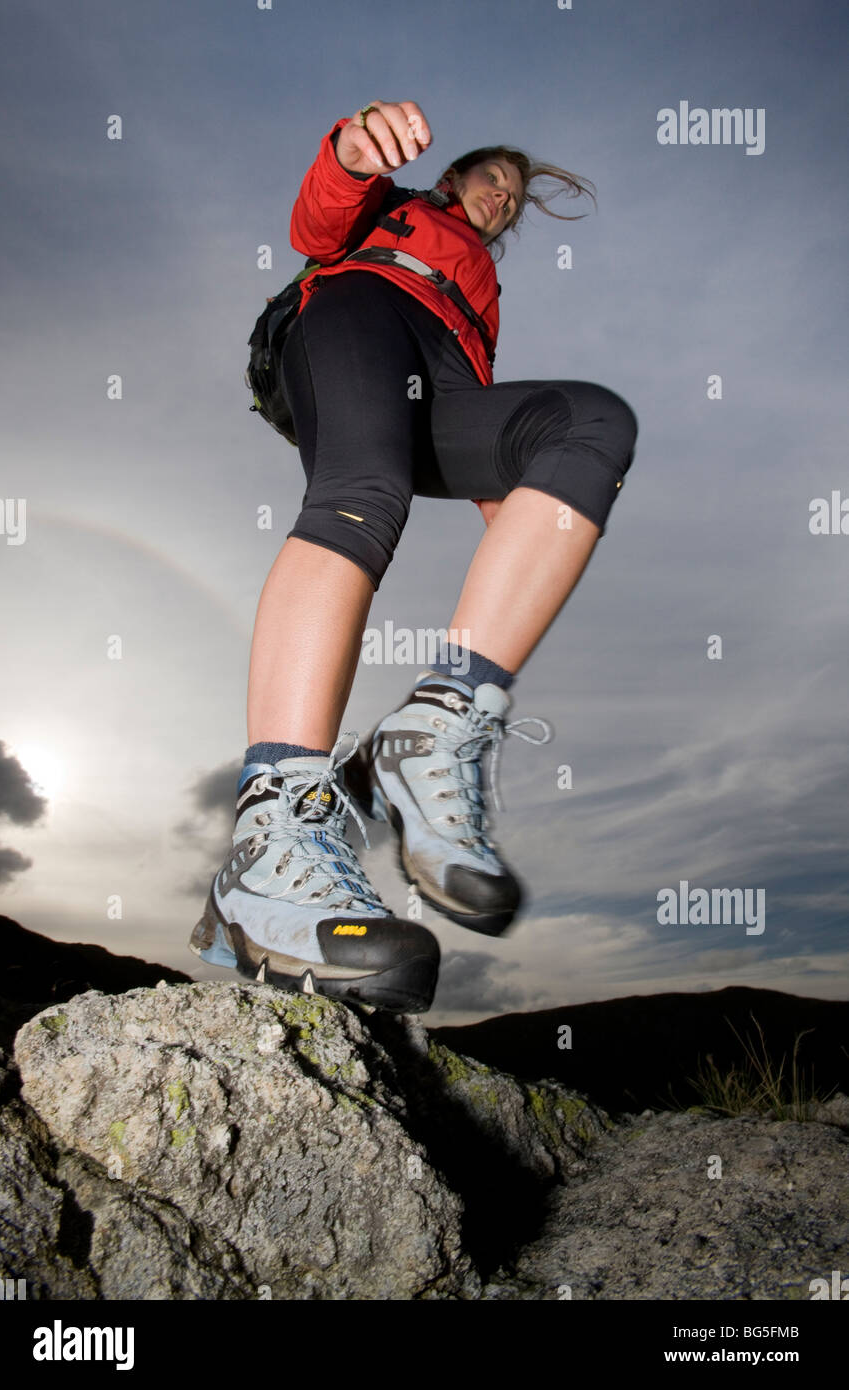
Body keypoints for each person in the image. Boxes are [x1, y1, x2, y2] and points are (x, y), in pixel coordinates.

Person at [190, 99, 638, 1015]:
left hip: (438, 367)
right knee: (364, 494)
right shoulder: (398, 204)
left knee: (591, 419)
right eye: (492, 181)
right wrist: (350, 156)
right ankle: (270, 838)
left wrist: (521, 526)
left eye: (514, 199)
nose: (502, 201)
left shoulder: (485, 288)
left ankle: (431, 728)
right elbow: (317, 226)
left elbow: (480, 412)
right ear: (455, 177)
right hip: (353, 312)